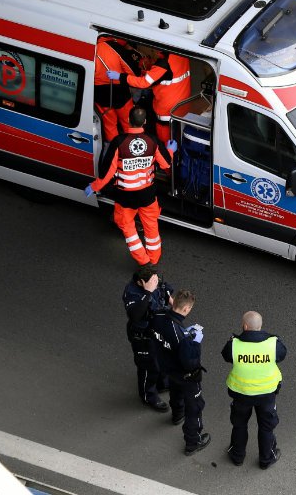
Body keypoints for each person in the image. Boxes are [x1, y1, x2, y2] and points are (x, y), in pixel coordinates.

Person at [84, 107, 177, 267]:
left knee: (127, 228)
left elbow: (108, 172)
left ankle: (143, 260)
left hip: (125, 196)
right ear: (145, 122)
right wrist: (170, 150)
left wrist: (94, 186)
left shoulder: (119, 142)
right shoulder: (152, 141)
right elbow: (166, 163)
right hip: (147, 195)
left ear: (128, 120)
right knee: (151, 228)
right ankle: (153, 259)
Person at [221, 311, 287, 470]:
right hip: (267, 395)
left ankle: (237, 456)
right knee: (266, 427)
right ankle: (266, 459)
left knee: (239, 425)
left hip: (241, 394)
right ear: (260, 326)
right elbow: (282, 355)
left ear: (244, 326)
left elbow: (226, 356)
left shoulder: (234, 345)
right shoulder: (273, 344)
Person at [151, 289, 210, 455]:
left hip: (167, 367)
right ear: (186, 309)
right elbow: (189, 363)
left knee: (175, 392)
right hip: (184, 374)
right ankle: (193, 441)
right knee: (195, 407)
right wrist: (195, 343)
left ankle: (177, 415)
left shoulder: (159, 316)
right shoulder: (180, 335)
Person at [108, 49, 191, 144]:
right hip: (182, 105)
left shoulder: (163, 64)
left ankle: (168, 155)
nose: (153, 52)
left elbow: (144, 82)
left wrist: (120, 77)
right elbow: (166, 76)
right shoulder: (182, 55)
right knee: (178, 134)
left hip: (166, 111)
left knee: (165, 141)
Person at [123, 266, 172, 412]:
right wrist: (147, 292)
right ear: (141, 283)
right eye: (152, 283)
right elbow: (135, 315)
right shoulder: (132, 292)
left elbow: (166, 291)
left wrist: (172, 302)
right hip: (143, 336)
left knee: (163, 358)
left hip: (160, 330)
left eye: (156, 281)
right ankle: (148, 395)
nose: (156, 284)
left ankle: (162, 384)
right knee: (148, 367)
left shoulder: (155, 280)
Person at [94, 36, 143, 143]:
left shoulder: (91, 47)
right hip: (120, 91)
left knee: (109, 125)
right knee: (129, 122)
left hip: (99, 92)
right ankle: (131, 146)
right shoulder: (117, 48)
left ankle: (114, 148)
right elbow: (133, 72)